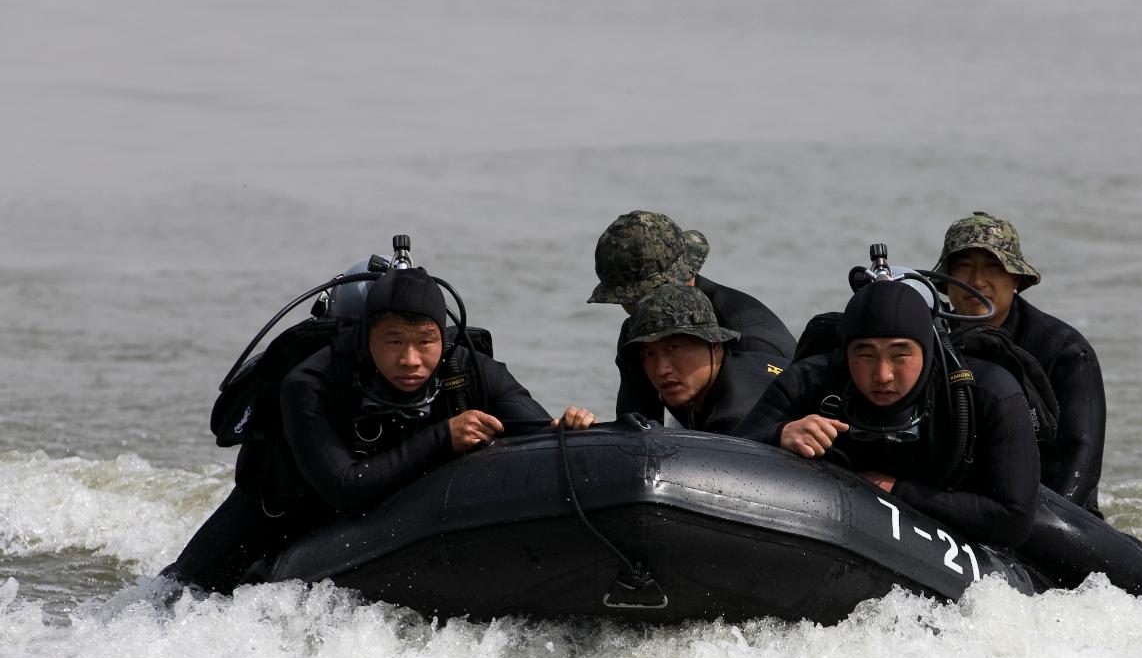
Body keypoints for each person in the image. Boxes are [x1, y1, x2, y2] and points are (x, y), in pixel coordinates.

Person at [163, 266, 595, 594]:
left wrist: (570, 429)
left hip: (399, 520)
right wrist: (443, 437)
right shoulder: (311, 384)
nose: (410, 359)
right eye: (393, 342)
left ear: (442, 337)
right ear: (366, 339)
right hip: (284, 515)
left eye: (425, 341)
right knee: (176, 596)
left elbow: (539, 436)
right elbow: (345, 489)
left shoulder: (469, 369)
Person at [735, 279, 1039, 549]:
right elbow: (721, 461)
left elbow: (1013, 520)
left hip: (963, 510)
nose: (882, 375)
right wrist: (779, 434)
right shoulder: (809, 382)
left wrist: (896, 490)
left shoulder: (987, 393)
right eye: (865, 355)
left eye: (900, 355)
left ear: (927, 350)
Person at [934, 211, 1107, 516]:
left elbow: (1081, 454)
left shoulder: (1065, 351)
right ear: (947, 279)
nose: (976, 281)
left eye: (992, 267)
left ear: (1015, 278)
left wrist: (1049, 525)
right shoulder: (925, 342)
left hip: (1049, 507)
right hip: (963, 504)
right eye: (964, 266)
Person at [588, 210, 796, 421]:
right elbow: (635, 425)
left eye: (642, 297)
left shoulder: (754, 344)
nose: (640, 313)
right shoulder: (636, 334)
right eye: (627, 301)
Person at [623, 284, 789, 434]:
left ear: (715, 343)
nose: (661, 369)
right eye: (649, 354)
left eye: (674, 348)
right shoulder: (738, 364)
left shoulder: (732, 418)